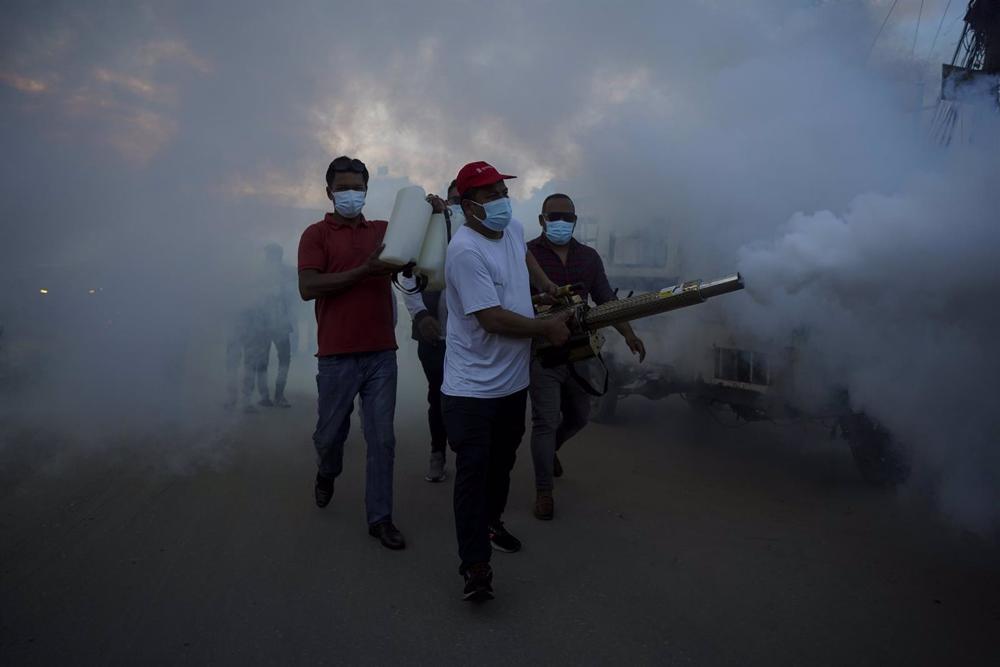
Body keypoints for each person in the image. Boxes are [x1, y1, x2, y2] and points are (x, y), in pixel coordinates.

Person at [441, 161, 571, 600]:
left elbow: (525, 256)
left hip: (512, 385)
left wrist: (548, 286)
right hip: (471, 389)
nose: (501, 201)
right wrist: (546, 327)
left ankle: (492, 524)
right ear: (468, 206)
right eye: (490, 195)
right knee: (473, 474)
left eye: (502, 192)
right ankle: (475, 566)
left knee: (500, 467)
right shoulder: (464, 251)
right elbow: (492, 319)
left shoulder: (511, 227)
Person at [297, 155, 407, 550]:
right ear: (328, 192)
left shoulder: (382, 231)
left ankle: (380, 518)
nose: (350, 194)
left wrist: (435, 210)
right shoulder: (316, 235)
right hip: (336, 356)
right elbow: (308, 287)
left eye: (357, 188)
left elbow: (417, 249)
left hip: (381, 354)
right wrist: (363, 272)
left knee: (383, 440)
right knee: (330, 436)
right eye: (342, 188)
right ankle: (327, 471)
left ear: (366, 190)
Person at [527, 193, 646, 521]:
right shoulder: (527, 254)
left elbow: (606, 300)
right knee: (544, 421)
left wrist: (629, 334)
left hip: (581, 352)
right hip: (543, 353)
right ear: (541, 220)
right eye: (554, 216)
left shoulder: (589, 258)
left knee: (579, 416)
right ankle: (544, 492)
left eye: (567, 217)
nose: (561, 222)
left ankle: (551, 449)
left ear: (575, 221)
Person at [401, 180, 463, 483]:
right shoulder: (429, 232)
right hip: (435, 336)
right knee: (438, 395)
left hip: (471, 339)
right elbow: (407, 277)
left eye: (466, 200)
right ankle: (438, 452)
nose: (460, 206)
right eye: (455, 200)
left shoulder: (485, 237)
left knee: (467, 399)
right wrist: (421, 314)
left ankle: (465, 451)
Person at [254, 243, 295, 408]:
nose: (272, 257)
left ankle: (277, 395)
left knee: (283, 360)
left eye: (274, 254)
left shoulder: (286, 272)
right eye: (271, 254)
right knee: (264, 360)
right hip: (263, 324)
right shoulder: (259, 274)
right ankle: (266, 395)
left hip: (281, 324)